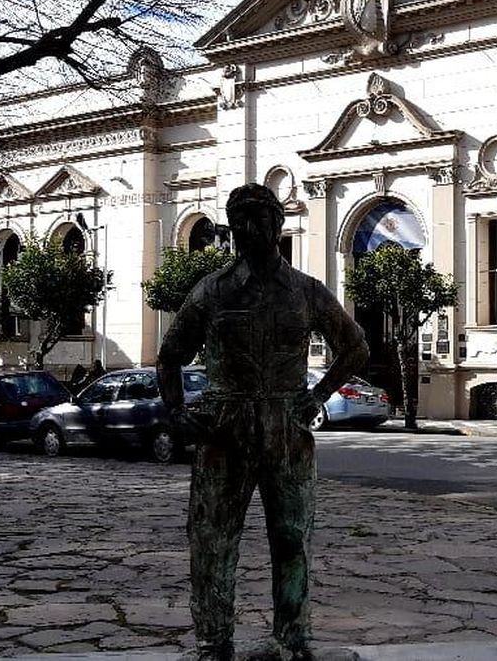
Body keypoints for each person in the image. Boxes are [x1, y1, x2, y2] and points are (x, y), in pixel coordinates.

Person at [156, 183, 367, 661]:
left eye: (258, 218)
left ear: (278, 224)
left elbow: (356, 347)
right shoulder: (211, 290)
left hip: (287, 428)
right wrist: (177, 412)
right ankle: (213, 642)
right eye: (239, 220)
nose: (249, 229)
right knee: (211, 539)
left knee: (293, 538)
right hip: (224, 427)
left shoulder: (307, 291)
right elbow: (169, 357)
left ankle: (293, 639)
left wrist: (317, 394)